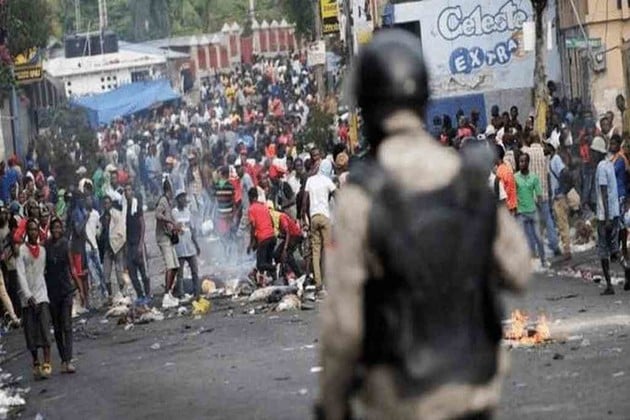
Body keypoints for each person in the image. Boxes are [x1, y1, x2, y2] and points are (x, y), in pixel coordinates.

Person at [318, 29, 530, 420]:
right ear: (423, 99)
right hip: (474, 391)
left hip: (402, 400)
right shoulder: (464, 178)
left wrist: (331, 404)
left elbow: (344, 328)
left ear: (368, 107)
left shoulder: (360, 197)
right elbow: (518, 270)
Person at [592, 136, 630, 295]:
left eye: (593, 151)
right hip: (614, 214)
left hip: (605, 216)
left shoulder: (601, 167)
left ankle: (609, 285)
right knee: (615, 248)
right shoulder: (609, 164)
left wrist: (606, 217)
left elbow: (604, 192)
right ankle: (627, 269)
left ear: (597, 152)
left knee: (603, 251)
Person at [16, 219, 53, 380]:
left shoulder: (43, 251)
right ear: (27, 232)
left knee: (44, 328)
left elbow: (43, 272)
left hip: (41, 294)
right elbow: (20, 274)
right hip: (27, 297)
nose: (33, 232)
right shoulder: (21, 251)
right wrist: (28, 295)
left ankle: (47, 361)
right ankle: (35, 360)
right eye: (30, 229)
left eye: (35, 230)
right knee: (31, 332)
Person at [44, 218, 77, 374]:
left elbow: (72, 267)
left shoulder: (66, 244)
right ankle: (63, 359)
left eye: (59, 227)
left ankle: (68, 360)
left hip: (66, 290)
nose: (57, 230)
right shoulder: (46, 246)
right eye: (54, 227)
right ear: (51, 229)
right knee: (57, 328)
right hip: (52, 291)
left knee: (67, 325)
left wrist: (78, 286)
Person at [522, 132, 561, 256]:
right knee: (548, 219)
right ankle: (555, 245)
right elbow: (547, 173)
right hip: (543, 192)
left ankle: (533, 249)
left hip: (530, 193)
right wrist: (549, 190)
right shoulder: (544, 153)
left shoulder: (527, 153)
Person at [303, 159, 336, 289]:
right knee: (328, 250)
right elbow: (337, 195)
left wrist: (306, 216)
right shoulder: (327, 181)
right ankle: (329, 280)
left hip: (314, 218)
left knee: (316, 252)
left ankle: (318, 283)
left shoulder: (310, 180)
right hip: (325, 217)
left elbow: (305, 202)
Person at [515, 153, 547, 267]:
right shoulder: (515, 177)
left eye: (524, 161)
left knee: (538, 237)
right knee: (521, 238)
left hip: (533, 211)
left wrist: (541, 211)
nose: (521, 164)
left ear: (528, 163)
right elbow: (513, 194)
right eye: (520, 161)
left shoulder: (534, 177)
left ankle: (543, 260)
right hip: (520, 212)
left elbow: (539, 195)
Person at [124, 184, 151, 304]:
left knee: (143, 271)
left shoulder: (137, 206)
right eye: (125, 190)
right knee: (132, 272)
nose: (127, 192)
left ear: (132, 192)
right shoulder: (125, 208)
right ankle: (140, 294)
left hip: (137, 242)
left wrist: (140, 244)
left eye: (129, 190)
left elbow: (143, 225)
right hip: (129, 244)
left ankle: (148, 294)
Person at [172, 190, 201, 301]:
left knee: (195, 271)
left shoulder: (188, 212)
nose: (184, 199)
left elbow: (192, 230)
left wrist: (196, 245)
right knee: (180, 274)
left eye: (184, 197)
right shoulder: (174, 213)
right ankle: (181, 294)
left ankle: (197, 293)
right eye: (182, 197)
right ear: (177, 200)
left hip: (190, 247)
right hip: (179, 247)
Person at [155, 179, 180, 304]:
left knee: (175, 266)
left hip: (168, 237)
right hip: (163, 238)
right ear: (169, 190)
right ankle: (166, 296)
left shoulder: (168, 202)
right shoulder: (163, 201)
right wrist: (170, 222)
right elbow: (158, 215)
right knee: (170, 266)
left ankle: (169, 292)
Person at [547, 137, 572, 259]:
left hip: (559, 197)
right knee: (561, 223)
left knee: (562, 223)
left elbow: (564, 172)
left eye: (547, 146)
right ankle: (566, 247)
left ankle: (567, 250)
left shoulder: (556, 159)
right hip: (556, 196)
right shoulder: (551, 159)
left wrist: (560, 189)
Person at [99, 196, 127, 300]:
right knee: (106, 273)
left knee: (119, 271)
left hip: (117, 246)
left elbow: (122, 230)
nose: (106, 205)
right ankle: (110, 295)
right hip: (107, 248)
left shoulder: (117, 215)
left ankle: (122, 293)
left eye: (108, 203)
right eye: (104, 203)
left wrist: (121, 243)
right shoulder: (102, 218)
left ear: (111, 203)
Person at [247, 188, 276, 284]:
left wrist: (251, 243)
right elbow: (272, 222)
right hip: (272, 237)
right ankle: (270, 281)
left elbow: (253, 227)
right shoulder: (264, 206)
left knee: (260, 265)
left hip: (264, 238)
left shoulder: (251, 209)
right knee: (267, 262)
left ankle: (275, 267)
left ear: (250, 198)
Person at [609, 135, 629, 257]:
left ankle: (623, 248)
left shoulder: (620, 160)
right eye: (610, 144)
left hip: (620, 194)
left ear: (618, 145)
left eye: (614, 144)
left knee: (620, 223)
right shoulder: (614, 158)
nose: (611, 146)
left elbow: (611, 172)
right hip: (615, 194)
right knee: (616, 222)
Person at [84, 195, 107, 302]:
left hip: (95, 246)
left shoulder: (96, 214)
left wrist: (98, 234)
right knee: (92, 274)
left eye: (90, 200)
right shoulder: (83, 214)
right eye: (87, 200)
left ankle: (104, 292)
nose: (89, 202)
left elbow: (99, 227)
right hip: (86, 248)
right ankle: (96, 298)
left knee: (100, 270)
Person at [274, 209, 303, 280]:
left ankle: (298, 274)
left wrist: (285, 249)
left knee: (287, 254)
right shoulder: (279, 219)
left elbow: (288, 233)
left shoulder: (282, 217)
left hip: (295, 236)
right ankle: (283, 273)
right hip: (292, 236)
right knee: (277, 254)